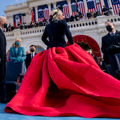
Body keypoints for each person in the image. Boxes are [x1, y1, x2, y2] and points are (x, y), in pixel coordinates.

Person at [5, 9, 120, 118]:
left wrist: (50, 44)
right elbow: (70, 37)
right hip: (62, 49)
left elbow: (43, 38)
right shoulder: (62, 23)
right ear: (60, 15)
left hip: (50, 52)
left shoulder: (48, 25)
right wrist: (68, 45)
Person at [0, 16, 7, 103]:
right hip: (0, 59)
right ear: (1, 22)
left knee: (2, 77)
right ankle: (3, 97)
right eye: (5, 21)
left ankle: (3, 97)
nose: (6, 23)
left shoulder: (2, 32)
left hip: (3, 59)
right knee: (1, 78)